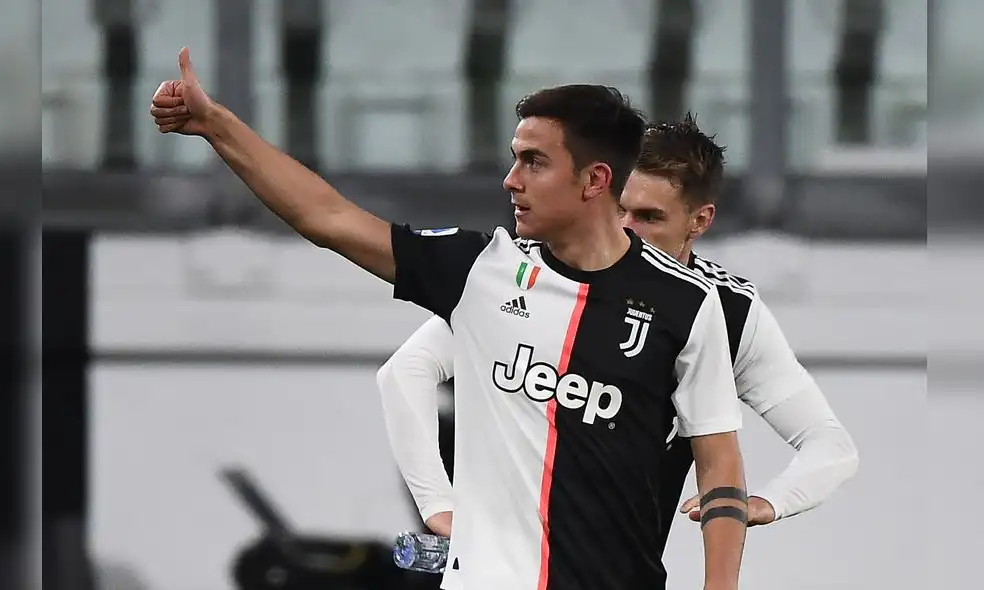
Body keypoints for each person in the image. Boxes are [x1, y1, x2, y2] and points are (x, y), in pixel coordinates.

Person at [150, 48, 749, 590]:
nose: (510, 181)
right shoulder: (482, 272)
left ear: (595, 180)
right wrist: (216, 125)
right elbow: (326, 217)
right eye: (514, 160)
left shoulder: (689, 305)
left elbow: (719, 461)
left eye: (534, 163)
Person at [378, 116, 860, 573]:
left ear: (700, 220)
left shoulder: (725, 312)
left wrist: (768, 503)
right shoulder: (530, 272)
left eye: (650, 217)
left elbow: (830, 445)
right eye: (620, 208)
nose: (628, 229)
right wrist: (438, 506)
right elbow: (406, 371)